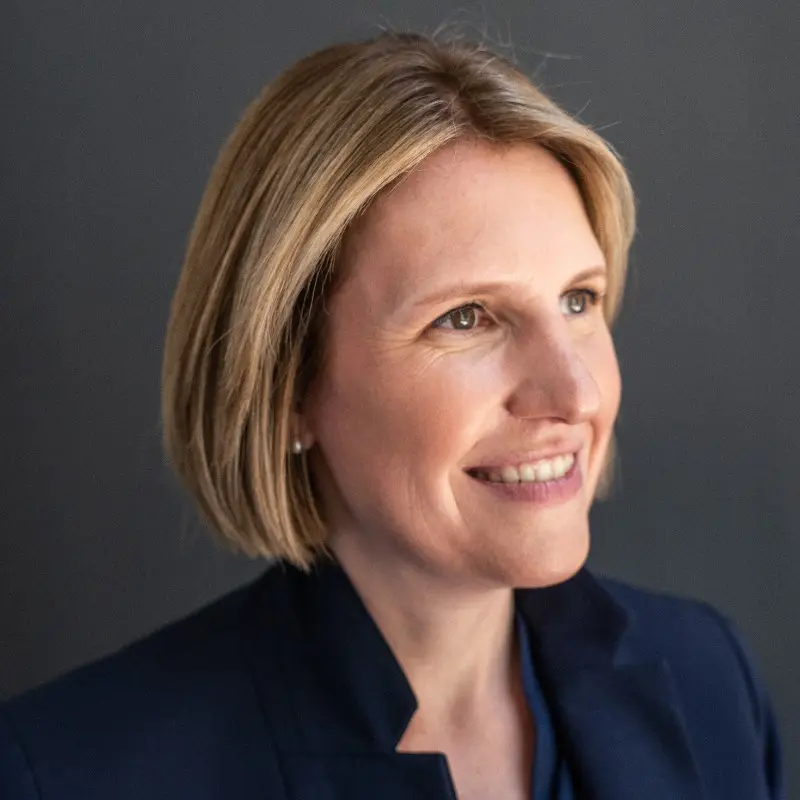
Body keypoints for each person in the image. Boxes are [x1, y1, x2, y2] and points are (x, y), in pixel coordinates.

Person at [0, 30, 784, 800]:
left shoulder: (708, 678)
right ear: (285, 390)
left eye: (579, 300)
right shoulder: (72, 770)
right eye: (468, 317)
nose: (574, 393)